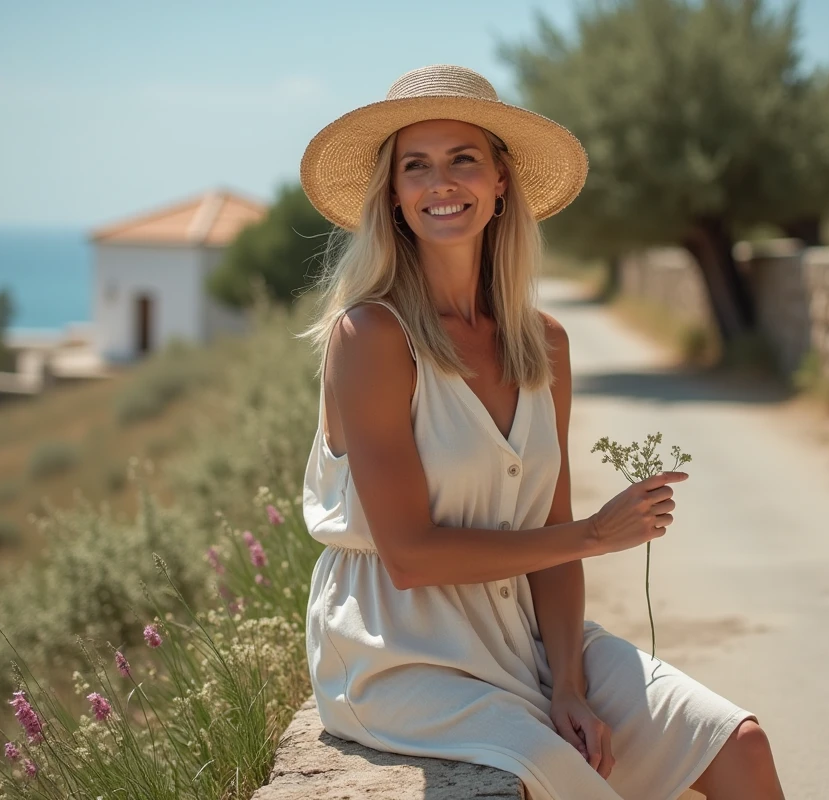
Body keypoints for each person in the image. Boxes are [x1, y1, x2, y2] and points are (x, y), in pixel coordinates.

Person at [297, 64, 785, 800]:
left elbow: (549, 532)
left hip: (521, 637)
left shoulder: (544, 344)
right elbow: (410, 556)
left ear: (500, 182)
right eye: (416, 166)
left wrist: (570, 683)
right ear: (393, 196)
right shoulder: (370, 336)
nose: (441, 182)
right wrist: (596, 533)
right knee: (565, 783)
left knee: (738, 744)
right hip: (397, 653)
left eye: (463, 158)